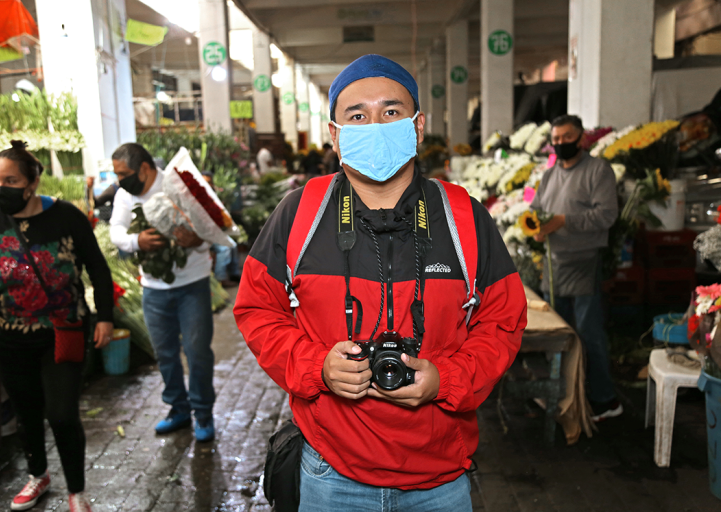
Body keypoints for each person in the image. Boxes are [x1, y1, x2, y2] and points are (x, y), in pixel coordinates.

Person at [234, 54, 526, 511]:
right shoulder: (299, 215)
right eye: (357, 115)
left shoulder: (463, 217)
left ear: (417, 125)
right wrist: (317, 368)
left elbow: (503, 321)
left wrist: (446, 379)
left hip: (440, 479)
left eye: (390, 112)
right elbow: (256, 309)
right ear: (335, 134)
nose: (375, 124)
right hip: (331, 474)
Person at [0, 141, 114, 512]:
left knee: (61, 413)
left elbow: (98, 269)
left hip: (63, 334)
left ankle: (76, 492)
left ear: (32, 182)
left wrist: (104, 315)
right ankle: (38, 475)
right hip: (7, 338)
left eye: (10, 180)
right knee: (25, 412)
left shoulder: (68, 217)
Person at [109, 143, 216, 441]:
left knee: (197, 353)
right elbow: (115, 229)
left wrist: (195, 240)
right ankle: (178, 409)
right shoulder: (125, 195)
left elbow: (210, 228)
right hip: (153, 289)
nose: (120, 180)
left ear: (144, 168)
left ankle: (203, 413)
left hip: (192, 285)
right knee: (165, 353)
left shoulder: (180, 185)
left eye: (124, 173)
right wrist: (136, 241)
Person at [530, 114, 621, 422]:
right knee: (556, 335)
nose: (561, 144)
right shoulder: (550, 174)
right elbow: (537, 210)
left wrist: (564, 221)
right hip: (554, 265)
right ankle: (567, 395)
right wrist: (536, 227)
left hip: (583, 263)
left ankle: (605, 399)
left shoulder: (598, 171)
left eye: (567, 138)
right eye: (555, 140)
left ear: (581, 139)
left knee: (588, 334)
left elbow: (607, 214)